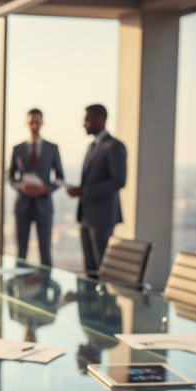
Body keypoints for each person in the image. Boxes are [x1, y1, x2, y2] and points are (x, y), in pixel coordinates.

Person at [66, 104, 126, 273]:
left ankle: (106, 301)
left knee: (103, 270)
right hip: (86, 216)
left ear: (100, 118)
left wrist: (85, 191)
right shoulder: (92, 146)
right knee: (90, 270)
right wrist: (80, 190)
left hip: (103, 218)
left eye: (87, 119)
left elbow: (119, 181)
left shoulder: (114, 146)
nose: (84, 123)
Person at [9, 108, 64, 265]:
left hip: (44, 205)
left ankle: (46, 286)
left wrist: (46, 189)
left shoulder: (52, 148)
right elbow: (10, 177)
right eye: (31, 122)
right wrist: (21, 186)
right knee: (21, 251)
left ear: (42, 123)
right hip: (23, 205)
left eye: (37, 122)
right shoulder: (17, 149)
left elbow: (60, 177)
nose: (34, 125)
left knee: (45, 250)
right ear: (27, 123)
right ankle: (18, 286)